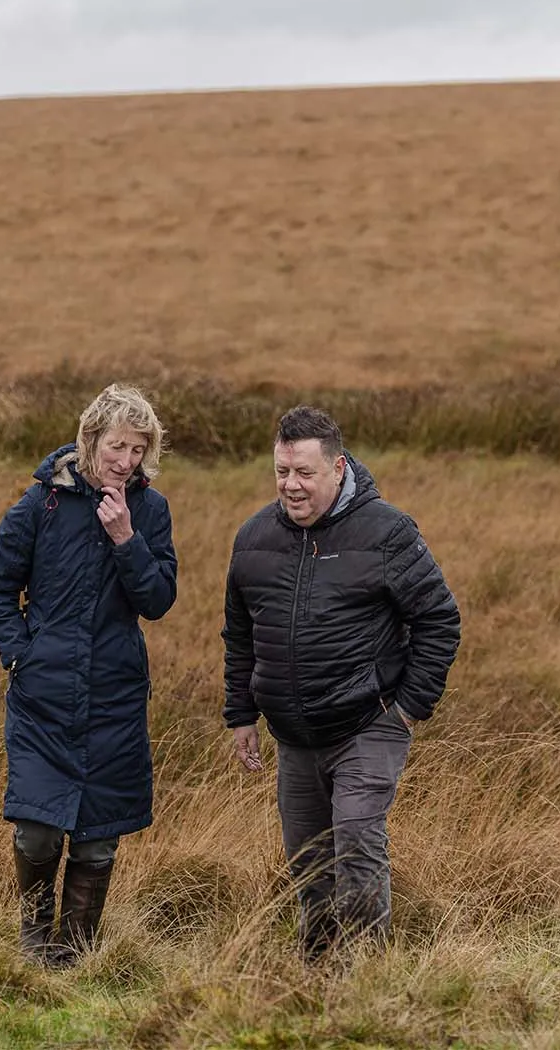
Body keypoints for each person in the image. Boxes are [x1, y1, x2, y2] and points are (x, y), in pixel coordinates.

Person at [222, 405, 461, 961]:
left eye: (304, 473)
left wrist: (408, 709)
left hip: (368, 724)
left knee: (355, 840)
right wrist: (241, 714)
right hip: (293, 736)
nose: (291, 485)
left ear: (337, 468)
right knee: (309, 862)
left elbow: (439, 619)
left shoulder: (388, 533)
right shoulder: (253, 538)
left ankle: (366, 975)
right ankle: (319, 973)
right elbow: (240, 635)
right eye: (282, 471)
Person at [0, 383, 178, 967]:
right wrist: (21, 654)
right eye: (118, 446)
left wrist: (126, 539)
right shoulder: (39, 505)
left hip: (115, 698)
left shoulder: (150, 511)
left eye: (138, 450)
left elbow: (158, 600)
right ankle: (34, 945)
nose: (127, 460)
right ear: (91, 439)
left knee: (98, 836)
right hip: (43, 696)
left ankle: (75, 955)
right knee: (37, 829)